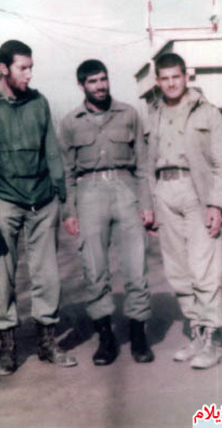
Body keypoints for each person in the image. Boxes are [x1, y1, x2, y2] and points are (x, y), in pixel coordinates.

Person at [0, 40, 77, 374]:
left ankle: (47, 342)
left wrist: (63, 198)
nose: (29, 75)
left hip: (42, 201)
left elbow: (52, 152)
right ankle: (8, 346)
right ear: (3, 68)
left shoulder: (38, 102)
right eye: (23, 68)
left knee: (47, 275)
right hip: (5, 201)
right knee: (3, 275)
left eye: (31, 68)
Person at [60, 59, 154, 365]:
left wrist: (147, 204)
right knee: (94, 270)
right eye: (93, 81)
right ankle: (105, 339)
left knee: (136, 268)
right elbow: (66, 171)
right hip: (89, 194)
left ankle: (138, 336)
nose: (100, 86)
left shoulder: (129, 114)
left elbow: (143, 163)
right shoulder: (70, 122)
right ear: (81, 85)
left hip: (126, 189)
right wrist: (69, 211)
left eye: (103, 79)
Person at [149, 52, 222, 369]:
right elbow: (146, 163)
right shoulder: (154, 114)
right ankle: (197, 334)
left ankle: (213, 341)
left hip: (196, 193)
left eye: (176, 77)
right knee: (178, 272)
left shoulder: (207, 112)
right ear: (158, 81)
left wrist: (217, 204)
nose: (171, 83)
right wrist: (150, 204)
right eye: (165, 78)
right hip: (164, 191)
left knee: (204, 269)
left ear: (186, 77)